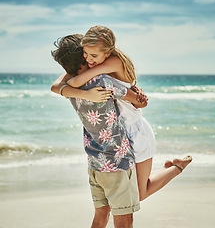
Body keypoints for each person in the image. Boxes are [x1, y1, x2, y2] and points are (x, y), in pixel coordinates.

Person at [63, 25, 193, 201]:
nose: (88, 60)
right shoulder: (100, 62)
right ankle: (171, 166)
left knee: (139, 193)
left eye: (93, 56)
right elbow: (57, 86)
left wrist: (80, 89)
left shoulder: (112, 63)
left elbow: (76, 81)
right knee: (134, 188)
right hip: (121, 136)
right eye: (85, 54)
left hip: (136, 132)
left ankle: (177, 168)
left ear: (107, 53)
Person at [51, 34, 142, 228]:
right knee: (124, 219)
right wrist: (136, 91)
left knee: (101, 216)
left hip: (94, 162)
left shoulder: (69, 87)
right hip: (117, 161)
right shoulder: (101, 81)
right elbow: (139, 101)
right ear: (84, 57)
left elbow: (56, 86)